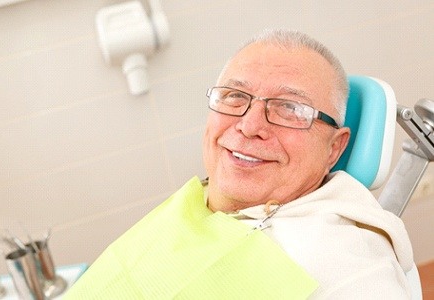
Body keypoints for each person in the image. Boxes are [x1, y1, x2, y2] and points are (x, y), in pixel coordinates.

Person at [64, 29, 414, 299]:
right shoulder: (200, 201)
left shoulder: (348, 267)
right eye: (235, 96)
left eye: (289, 108)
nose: (249, 126)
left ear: (334, 149)